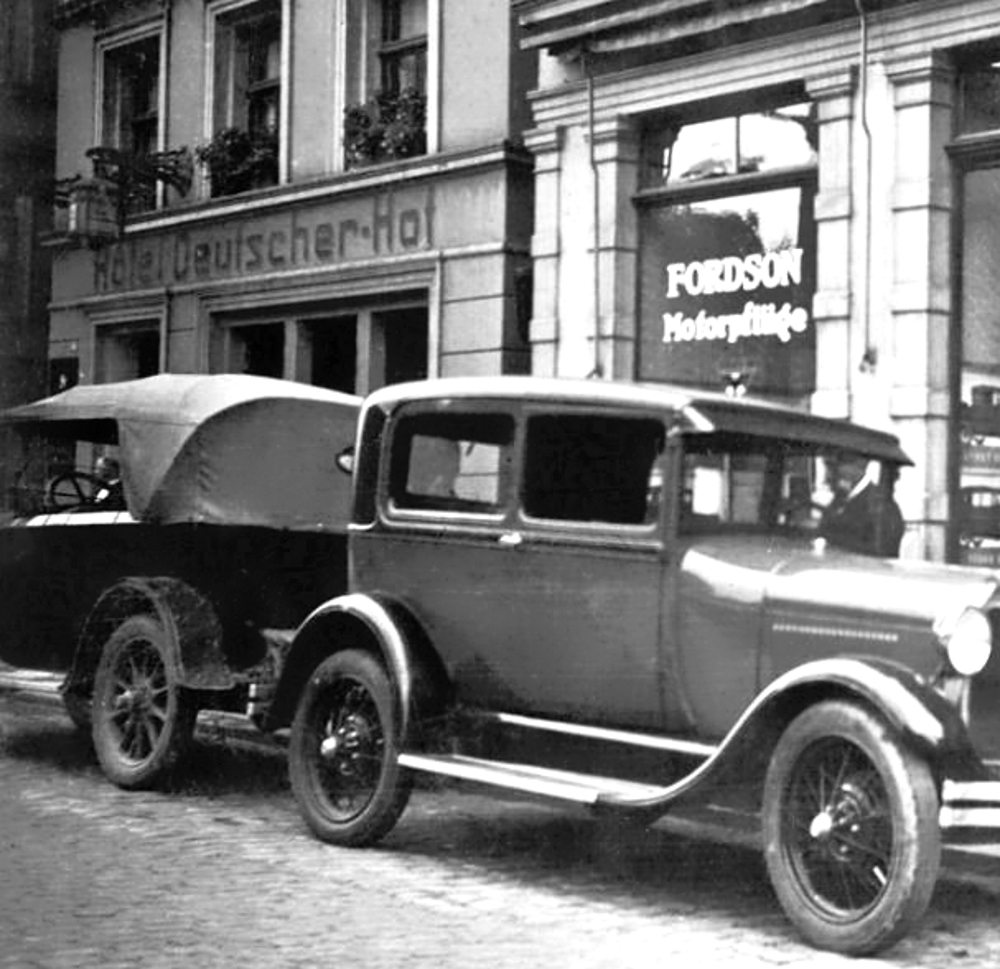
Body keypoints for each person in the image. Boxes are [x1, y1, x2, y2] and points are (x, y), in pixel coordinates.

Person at [819, 452, 904, 557]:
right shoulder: (839, 500)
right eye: (828, 467)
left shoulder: (883, 506)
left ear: (860, 465)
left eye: (834, 467)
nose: (828, 476)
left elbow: (882, 552)